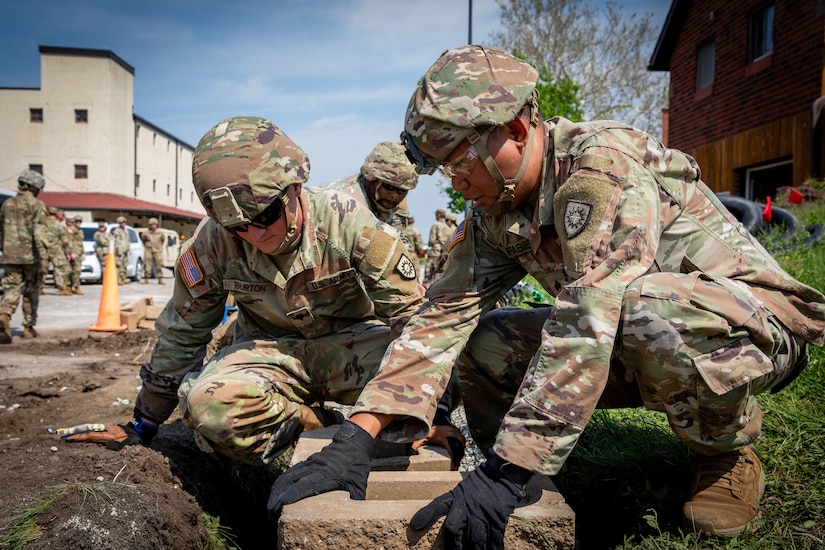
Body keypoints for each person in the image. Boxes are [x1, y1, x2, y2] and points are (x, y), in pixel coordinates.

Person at [267, 45, 825, 545]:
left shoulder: (599, 165)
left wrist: (510, 471)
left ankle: (724, 452)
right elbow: (441, 314)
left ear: (514, 128)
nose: (455, 182)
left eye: (460, 161)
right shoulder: (495, 209)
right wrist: (362, 433)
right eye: (443, 169)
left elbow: (592, 310)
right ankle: (523, 462)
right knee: (486, 338)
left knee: (645, 309)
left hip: (749, 333)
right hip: (632, 334)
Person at [65, 116, 462, 469]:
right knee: (207, 407)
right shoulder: (211, 244)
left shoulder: (352, 225)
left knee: (455, 366)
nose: (256, 235)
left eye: (266, 215)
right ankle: (318, 425)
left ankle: (378, 428)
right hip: (271, 354)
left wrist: (435, 413)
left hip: (356, 350)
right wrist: (144, 422)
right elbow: (184, 333)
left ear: (295, 186)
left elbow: (416, 326)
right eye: (238, 226)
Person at [321, 141, 421, 263]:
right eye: (389, 187)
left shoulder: (396, 204)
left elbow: (396, 245)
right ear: (371, 178)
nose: (394, 196)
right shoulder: (341, 203)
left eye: (402, 190)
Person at [0, 170, 49, 343]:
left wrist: (5, 249)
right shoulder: (37, 205)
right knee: (30, 291)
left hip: (10, 255)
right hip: (31, 256)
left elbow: (1, 231)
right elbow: (41, 234)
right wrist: (44, 257)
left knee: (11, 288)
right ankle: (28, 328)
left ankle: (4, 316)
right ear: (35, 187)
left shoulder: (7, 204)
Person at [43, 206, 72, 295]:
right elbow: (65, 241)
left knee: (42, 269)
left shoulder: (42, 224)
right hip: (56, 250)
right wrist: (68, 253)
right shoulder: (58, 225)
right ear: (56, 215)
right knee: (60, 269)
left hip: (43, 249)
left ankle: (39, 288)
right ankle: (62, 288)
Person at [423, 208, 452, 285]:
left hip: (436, 249)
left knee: (429, 269)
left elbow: (432, 240)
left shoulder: (435, 225)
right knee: (441, 269)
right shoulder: (448, 227)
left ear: (438, 215)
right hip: (445, 251)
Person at [141, 217, 165, 285]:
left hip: (157, 250)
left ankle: (160, 279)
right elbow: (143, 240)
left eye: (154, 224)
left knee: (159, 265)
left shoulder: (160, 233)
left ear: (156, 225)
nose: (153, 226)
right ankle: (146, 279)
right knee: (147, 265)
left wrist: (158, 246)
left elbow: (163, 240)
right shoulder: (146, 233)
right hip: (148, 250)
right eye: (151, 224)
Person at [66, 215, 85, 295]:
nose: (78, 223)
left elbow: (80, 243)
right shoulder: (71, 230)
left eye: (79, 221)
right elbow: (69, 242)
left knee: (77, 271)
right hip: (74, 252)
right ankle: (72, 287)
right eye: (77, 221)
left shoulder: (80, 231)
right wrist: (71, 252)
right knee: (74, 270)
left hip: (79, 252)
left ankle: (75, 286)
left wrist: (83, 252)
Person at [112, 216, 130, 284]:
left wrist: (129, 249)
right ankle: (117, 279)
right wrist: (118, 250)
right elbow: (116, 241)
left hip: (125, 250)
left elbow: (128, 240)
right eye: (122, 223)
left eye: (124, 222)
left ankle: (123, 278)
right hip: (120, 250)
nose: (123, 224)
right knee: (118, 265)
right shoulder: (117, 231)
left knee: (124, 265)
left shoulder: (126, 230)